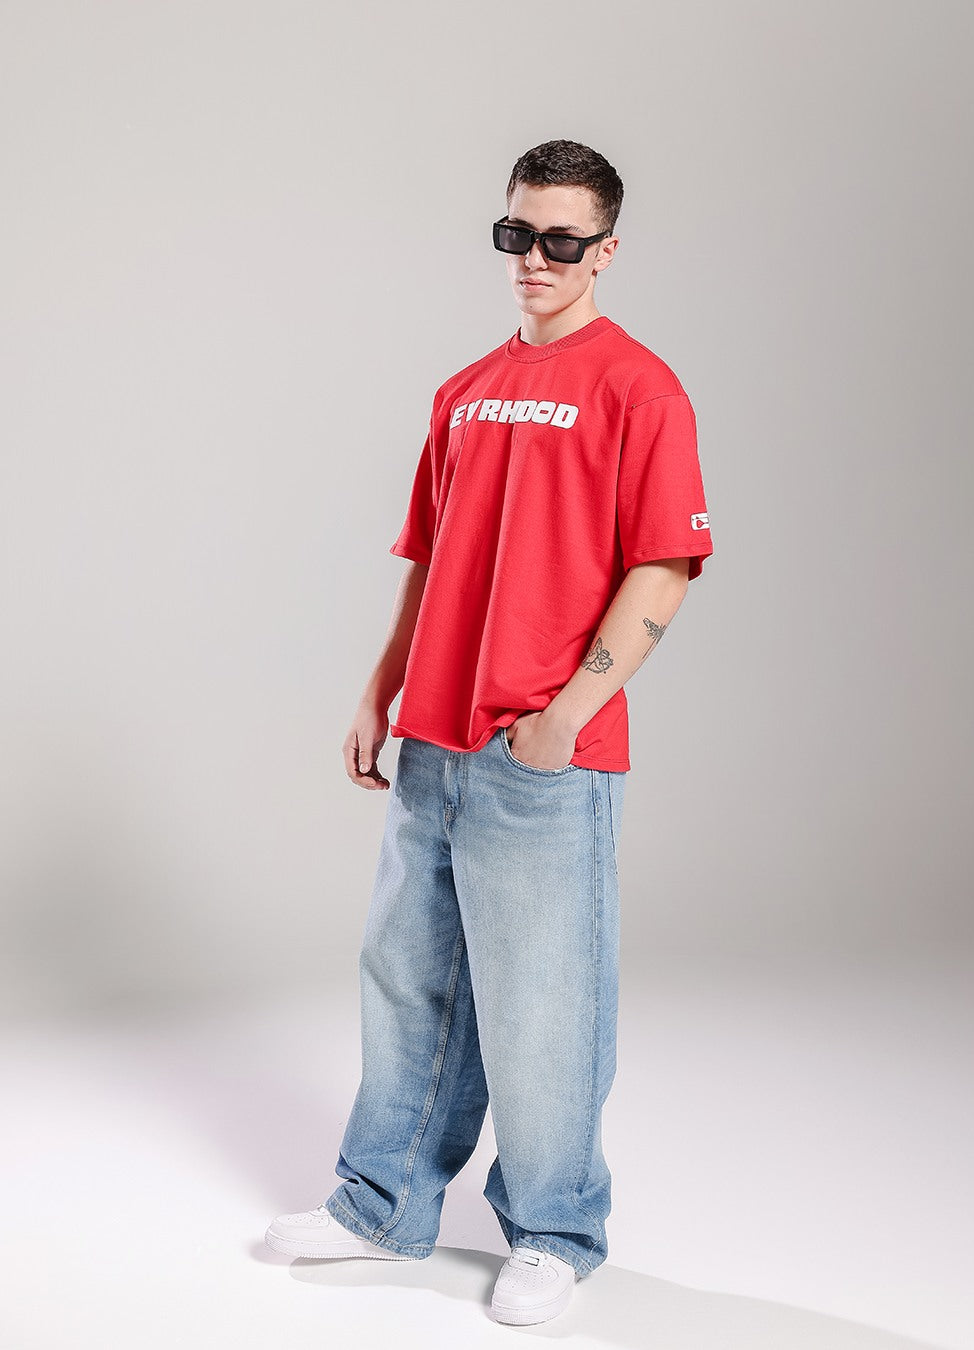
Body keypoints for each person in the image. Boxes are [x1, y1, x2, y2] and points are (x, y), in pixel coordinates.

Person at [265, 139, 713, 1326]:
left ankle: (556, 1233)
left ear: (606, 250)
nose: (535, 259)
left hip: (543, 753)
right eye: (518, 234)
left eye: (563, 240)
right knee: (408, 981)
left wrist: (568, 714)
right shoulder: (464, 390)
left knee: (545, 1007)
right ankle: (380, 1205)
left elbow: (664, 566)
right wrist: (381, 690)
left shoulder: (640, 388)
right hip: (436, 742)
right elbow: (430, 557)